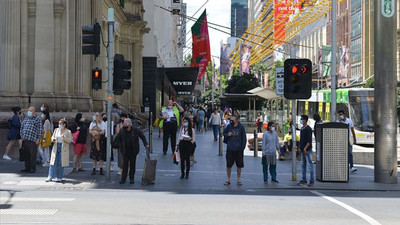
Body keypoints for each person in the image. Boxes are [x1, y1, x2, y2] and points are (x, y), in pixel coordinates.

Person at [115, 118, 149, 184]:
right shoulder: (122, 130)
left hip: (133, 150)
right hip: (125, 150)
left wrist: (146, 144)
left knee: (132, 164)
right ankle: (123, 178)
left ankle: (131, 178)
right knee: (125, 165)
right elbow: (118, 138)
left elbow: (142, 136)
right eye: (124, 125)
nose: (124, 126)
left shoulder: (136, 130)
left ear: (129, 125)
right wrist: (118, 145)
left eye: (125, 125)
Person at [223, 115, 247, 186]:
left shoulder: (241, 127)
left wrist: (242, 147)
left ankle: (238, 179)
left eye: (233, 120)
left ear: (237, 120)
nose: (231, 121)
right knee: (229, 165)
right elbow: (224, 133)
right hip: (230, 148)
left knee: (239, 165)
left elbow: (244, 138)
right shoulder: (229, 126)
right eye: (230, 120)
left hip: (238, 149)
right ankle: (228, 179)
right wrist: (227, 134)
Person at [20, 106, 43, 173]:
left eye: (30, 111)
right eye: (28, 111)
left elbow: (40, 130)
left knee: (32, 155)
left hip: (33, 140)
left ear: (33, 112)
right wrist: (22, 135)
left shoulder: (37, 119)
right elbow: (22, 127)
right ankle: (27, 167)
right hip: (25, 139)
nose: (29, 112)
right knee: (26, 154)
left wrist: (38, 139)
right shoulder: (26, 118)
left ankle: (32, 168)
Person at [297, 115, 314, 187]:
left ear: (306, 120)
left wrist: (305, 148)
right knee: (303, 165)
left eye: (302, 119)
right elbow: (301, 140)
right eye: (301, 119)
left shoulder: (308, 129)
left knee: (310, 165)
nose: (301, 120)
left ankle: (312, 180)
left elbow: (309, 140)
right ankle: (304, 179)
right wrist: (300, 147)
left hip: (307, 149)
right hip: (303, 149)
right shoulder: (302, 129)